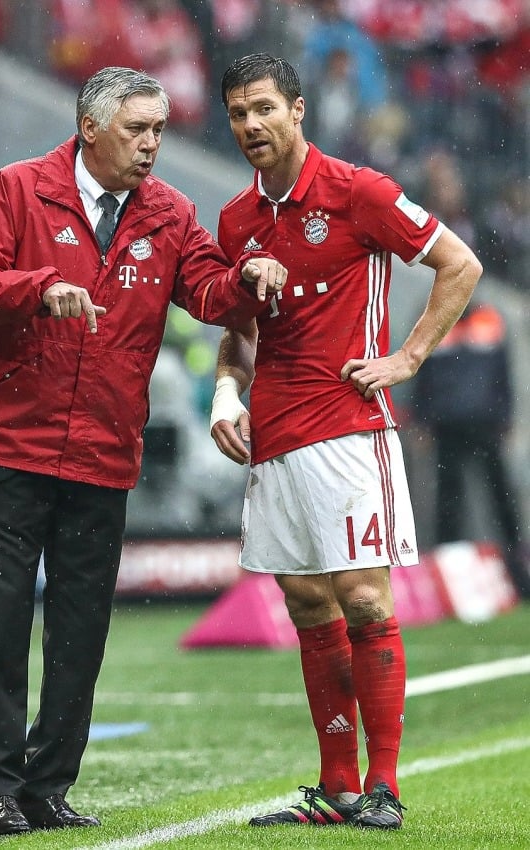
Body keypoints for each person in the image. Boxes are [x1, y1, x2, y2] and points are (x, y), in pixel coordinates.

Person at [0, 65, 287, 836]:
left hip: (103, 450)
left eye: (160, 130)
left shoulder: (170, 212)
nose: (152, 145)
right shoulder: (17, 188)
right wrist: (37, 288)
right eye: (138, 129)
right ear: (91, 127)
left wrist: (250, 279)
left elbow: (208, 291)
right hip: (10, 443)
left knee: (79, 633)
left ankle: (47, 787)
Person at [209, 54, 482, 830]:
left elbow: (459, 264)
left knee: (363, 599)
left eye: (263, 108)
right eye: (236, 113)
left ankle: (385, 785)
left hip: (349, 426)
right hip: (273, 434)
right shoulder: (236, 221)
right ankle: (336, 789)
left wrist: (407, 357)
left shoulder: (357, 191)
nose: (250, 125)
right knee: (304, 603)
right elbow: (239, 332)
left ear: (298, 111)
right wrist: (228, 393)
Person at [411, 299, 530, 597]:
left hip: (484, 424)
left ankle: (518, 567)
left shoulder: (487, 316)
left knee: (501, 500)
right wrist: (423, 419)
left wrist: (504, 417)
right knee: (450, 501)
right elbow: (419, 370)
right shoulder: (432, 314)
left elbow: (501, 372)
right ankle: (447, 576)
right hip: (447, 425)